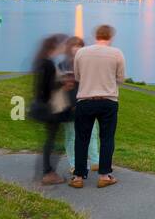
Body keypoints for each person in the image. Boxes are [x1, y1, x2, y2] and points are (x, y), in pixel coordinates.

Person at [71, 24, 125, 188]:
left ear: (96, 36)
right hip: (108, 100)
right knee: (107, 138)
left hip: (85, 99)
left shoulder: (81, 52)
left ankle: (78, 176)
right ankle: (104, 175)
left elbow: (77, 76)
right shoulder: (116, 53)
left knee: (81, 139)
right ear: (110, 37)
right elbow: (121, 78)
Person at [30, 33, 69, 185]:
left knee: (51, 141)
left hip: (47, 108)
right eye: (63, 45)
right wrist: (63, 84)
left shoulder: (42, 61)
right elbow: (46, 88)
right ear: (55, 47)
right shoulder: (48, 64)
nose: (65, 47)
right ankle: (47, 172)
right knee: (51, 141)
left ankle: (47, 171)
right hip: (51, 109)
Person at [59, 36, 99, 173]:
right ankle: (74, 164)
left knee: (92, 132)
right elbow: (62, 88)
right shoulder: (63, 65)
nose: (77, 48)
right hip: (70, 106)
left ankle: (95, 161)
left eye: (80, 46)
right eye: (74, 46)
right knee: (71, 135)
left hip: (88, 102)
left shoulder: (87, 63)